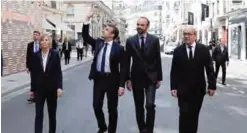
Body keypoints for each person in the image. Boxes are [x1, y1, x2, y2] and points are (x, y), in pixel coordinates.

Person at [82, 10, 126, 133]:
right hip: (99, 79)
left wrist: (122, 85)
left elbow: (123, 68)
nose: (104, 31)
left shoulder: (119, 49)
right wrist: (87, 19)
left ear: (112, 35)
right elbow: (85, 36)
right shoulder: (98, 43)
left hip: (112, 80)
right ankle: (102, 126)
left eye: (106, 30)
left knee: (112, 108)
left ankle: (112, 130)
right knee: (96, 106)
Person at [170, 26, 216, 133]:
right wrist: (173, 87)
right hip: (183, 90)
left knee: (194, 116)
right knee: (184, 115)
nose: (186, 36)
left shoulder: (203, 50)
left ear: (195, 36)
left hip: (198, 90)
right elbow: (174, 71)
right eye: (184, 34)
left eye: (189, 34)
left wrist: (212, 86)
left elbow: (210, 69)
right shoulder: (178, 51)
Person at [125, 17, 163, 133]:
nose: (139, 27)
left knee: (150, 105)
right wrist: (127, 79)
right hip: (136, 78)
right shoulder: (130, 41)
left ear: (147, 26)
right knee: (139, 106)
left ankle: (149, 129)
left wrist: (159, 78)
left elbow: (158, 59)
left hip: (151, 78)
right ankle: (142, 129)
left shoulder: (154, 40)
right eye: (138, 24)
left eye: (142, 25)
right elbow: (127, 61)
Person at [31, 34, 63, 133]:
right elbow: (34, 73)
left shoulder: (54, 54)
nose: (44, 42)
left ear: (49, 42)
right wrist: (32, 89)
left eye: (46, 40)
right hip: (39, 89)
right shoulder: (36, 55)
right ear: (40, 43)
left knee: (52, 114)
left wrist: (59, 87)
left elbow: (58, 72)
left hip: (52, 89)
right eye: (42, 40)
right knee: (38, 114)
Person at [26, 31, 41, 103]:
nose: (35, 36)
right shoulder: (30, 45)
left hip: (41, 66)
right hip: (33, 67)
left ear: (39, 36)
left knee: (40, 81)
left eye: (36, 35)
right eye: (34, 35)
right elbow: (28, 56)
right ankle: (33, 96)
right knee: (33, 81)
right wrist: (27, 66)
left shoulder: (42, 44)